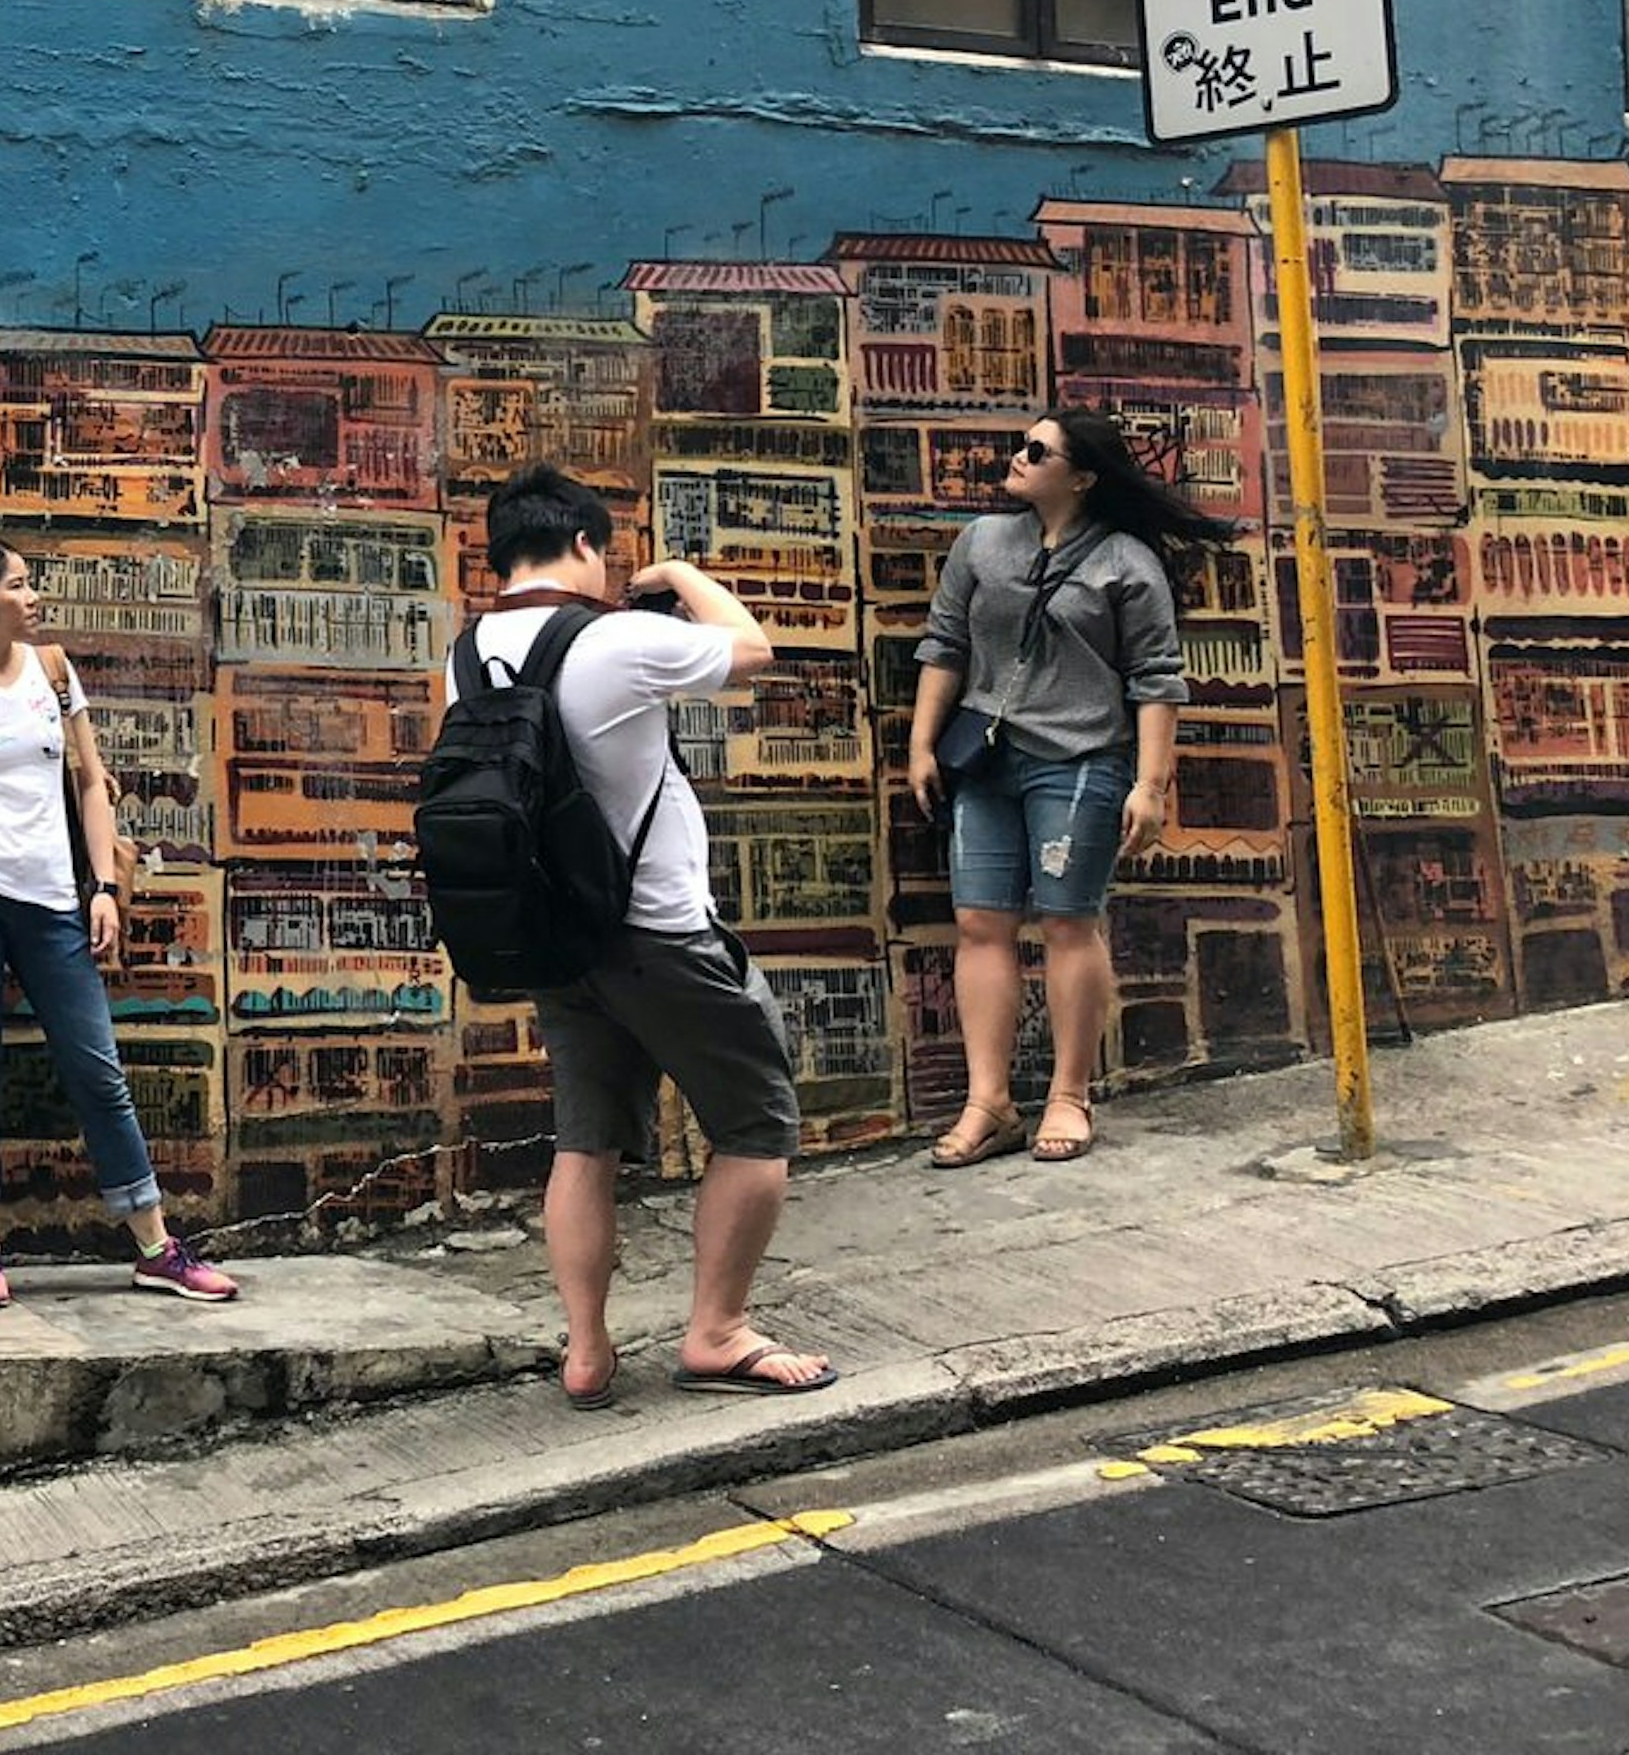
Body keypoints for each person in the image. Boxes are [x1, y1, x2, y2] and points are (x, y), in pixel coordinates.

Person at [467, 465, 834, 1404]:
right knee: (757, 1125)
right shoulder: (618, 639)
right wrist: (680, 572)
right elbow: (750, 650)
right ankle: (717, 1331)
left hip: (559, 940)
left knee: (585, 1141)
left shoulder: (468, 653)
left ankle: (585, 1350)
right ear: (586, 545)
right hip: (660, 933)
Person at [0, 537, 239, 1308]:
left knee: (98, 1072)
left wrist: (101, 886)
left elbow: (93, 784)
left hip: (53, 903)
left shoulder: (53, 672)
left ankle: (156, 1247)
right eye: (20, 586)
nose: (34, 598)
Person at [908, 408, 1219, 1167]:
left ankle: (1069, 1095)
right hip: (985, 756)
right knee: (980, 922)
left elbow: (1155, 680)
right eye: (1023, 444)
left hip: (1081, 758)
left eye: (1037, 450)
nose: (1018, 456)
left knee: (1066, 924)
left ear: (1080, 477)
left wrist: (1150, 784)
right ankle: (990, 1102)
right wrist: (921, 743)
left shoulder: (1124, 562)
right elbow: (944, 641)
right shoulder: (982, 541)